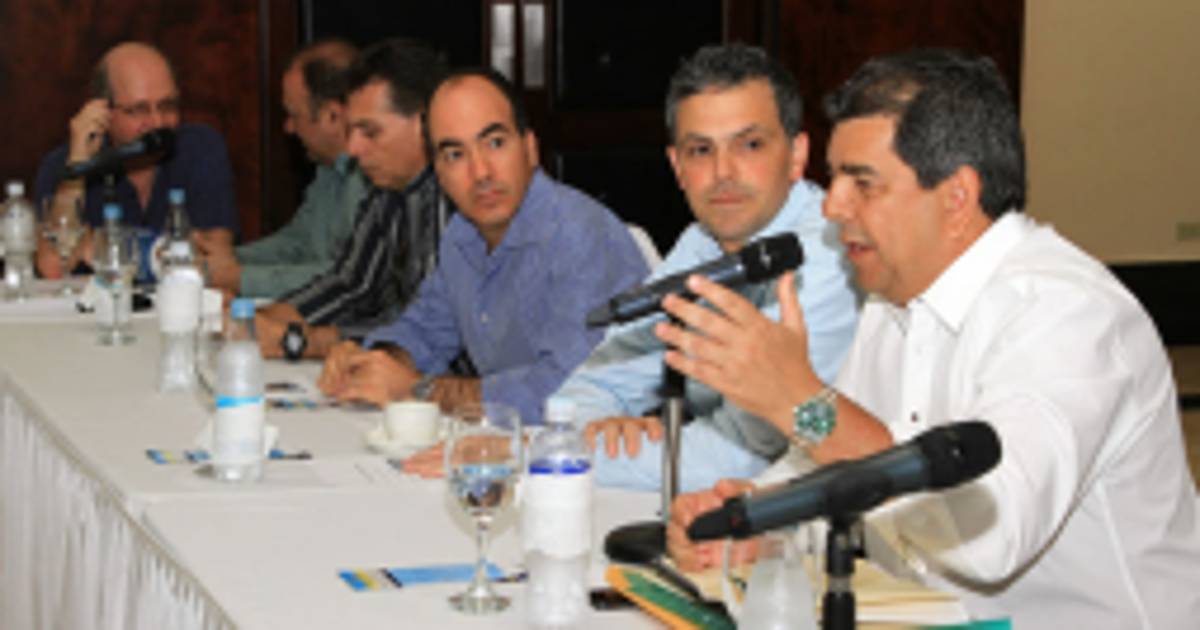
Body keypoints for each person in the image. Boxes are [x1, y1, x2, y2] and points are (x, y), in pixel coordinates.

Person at [661, 49, 1200, 627]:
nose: (834, 206)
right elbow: (838, 466)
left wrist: (799, 401)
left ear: (956, 197)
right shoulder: (890, 304)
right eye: (836, 177)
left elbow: (992, 535)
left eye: (862, 183)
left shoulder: (1068, 314)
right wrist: (755, 519)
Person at [552, 44, 859, 492]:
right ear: (677, 167)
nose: (723, 173)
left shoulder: (828, 251)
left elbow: (743, 457)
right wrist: (602, 427)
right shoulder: (703, 238)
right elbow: (596, 382)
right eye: (700, 150)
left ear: (797, 155)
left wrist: (572, 452)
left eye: (750, 145)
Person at [318, 67, 649, 426]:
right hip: (510, 444)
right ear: (439, 174)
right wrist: (373, 361)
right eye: (455, 155)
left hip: (598, 450)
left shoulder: (580, 235)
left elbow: (567, 393)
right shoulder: (463, 234)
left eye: (495, 143)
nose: (481, 173)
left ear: (530, 149)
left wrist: (421, 390)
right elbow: (424, 329)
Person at [252, 39, 451, 359]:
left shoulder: (459, 199)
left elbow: (428, 331)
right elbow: (352, 284)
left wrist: (307, 341)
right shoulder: (388, 188)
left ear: (424, 125)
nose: (354, 149)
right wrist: (259, 320)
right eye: (351, 132)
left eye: (370, 132)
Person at [33, 41, 237, 277]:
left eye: (167, 106)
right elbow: (53, 268)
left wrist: (99, 249)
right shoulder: (63, 164)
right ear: (104, 112)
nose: (157, 123)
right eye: (139, 110)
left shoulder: (199, 148)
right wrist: (78, 165)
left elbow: (218, 264)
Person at [198, 39, 368, 300]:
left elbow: (346, 278)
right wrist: (224, 259)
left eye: (294, 115)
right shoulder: (328, 168)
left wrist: (237, 276)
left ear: (332, 115)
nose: (288, 127)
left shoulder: (376, 177)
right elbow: (297, 243)